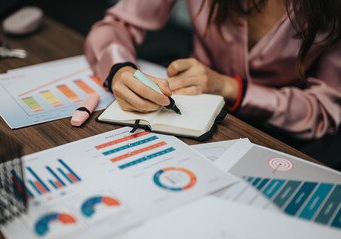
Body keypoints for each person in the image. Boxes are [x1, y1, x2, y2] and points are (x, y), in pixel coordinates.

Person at [84, 0, 341, 140]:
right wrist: (119, 69)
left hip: (282, 137)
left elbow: (325, 111)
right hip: (186, 121)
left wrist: (231, 88)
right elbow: (115, 26)